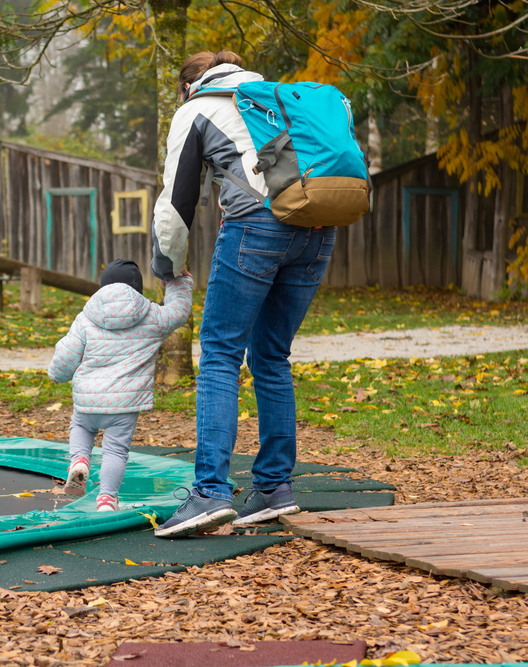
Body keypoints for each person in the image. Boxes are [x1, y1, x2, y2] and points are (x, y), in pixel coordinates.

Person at [152, 51, 338, 537]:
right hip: (319, 227)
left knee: (218, 355)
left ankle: (210, 493)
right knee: (272, 356)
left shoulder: (195, 109)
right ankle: (274, 488)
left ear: (186, 87)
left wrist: (167, 267)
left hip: (255, 229)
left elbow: (176, 202)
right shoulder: (277, 98)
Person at [48, 258, 193, 511]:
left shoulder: (86, 317)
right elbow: (179, 311)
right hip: (125, 404)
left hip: (88, 399)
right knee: (115, 451)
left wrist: (56, 375)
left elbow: (66, 356)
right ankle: (106, 499)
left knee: (80, 426)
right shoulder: (152, 316)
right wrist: (177, 280)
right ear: (138, 289)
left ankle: (80, 460)